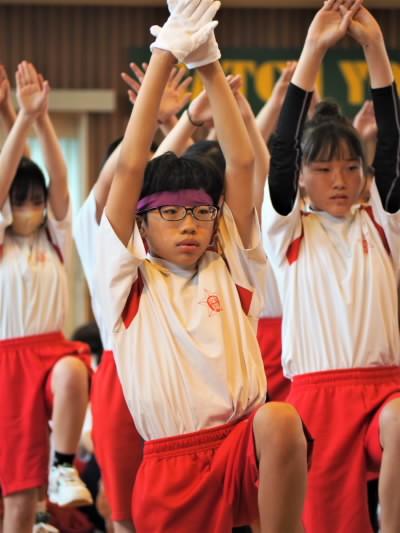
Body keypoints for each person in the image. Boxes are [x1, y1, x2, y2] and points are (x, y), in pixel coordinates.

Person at [94, 1, 309, 531]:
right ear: (143, 226)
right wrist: (166, 49)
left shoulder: (229, 265)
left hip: (238, 444)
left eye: (199, 213)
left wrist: (209, 60)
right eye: (171, 214)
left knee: (281, 420)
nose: (188, 225)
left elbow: (243, 161)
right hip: (171, 466)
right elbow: (130, 166)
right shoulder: (128, 282)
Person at [262, 1, 400, 532]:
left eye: (349, 167)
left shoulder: (382, 224)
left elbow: (392, 145)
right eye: (323, 169)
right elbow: (280, 151)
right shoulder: (290, 231)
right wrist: (313, 50)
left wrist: (376, 48)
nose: (339, 180)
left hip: (383, 389)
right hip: (317, 398)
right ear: (302, 177)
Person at [0, 61, 92, 533]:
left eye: (37, 202)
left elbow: (59, 175)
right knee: (17, 501)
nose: (32, 211)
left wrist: (41, 118)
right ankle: (35, 509)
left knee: (75, 370)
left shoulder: (54, 239)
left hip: (51, 350)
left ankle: (63, 466)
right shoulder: (3, 245)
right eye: (21, 203)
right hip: (9, 365)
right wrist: (19, 117)